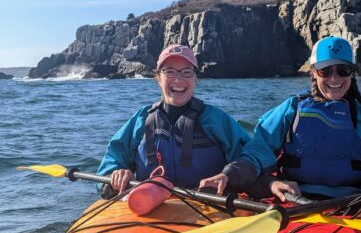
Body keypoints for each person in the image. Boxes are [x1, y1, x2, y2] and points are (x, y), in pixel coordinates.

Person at [200, 36, 361, 199]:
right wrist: (229, 176)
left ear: (352, 73)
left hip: (357, 201)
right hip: (297, 199)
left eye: (343, 70)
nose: (334, 78)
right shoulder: (292, 109)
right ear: (313, 72)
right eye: (325, 71)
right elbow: (257, 151)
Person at [96, 44, 255, 197]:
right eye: (169, 72)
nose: (178, 80)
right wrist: (115, 176)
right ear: (158, 78)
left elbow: (251, 158)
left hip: (208, 207)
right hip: (148, 208)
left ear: (195, 79)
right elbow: (110, 164)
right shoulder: (141, 120)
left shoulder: (217, 120)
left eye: (186, 72)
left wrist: (228, 175)